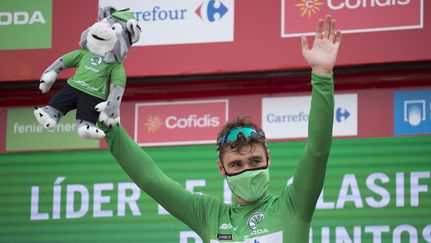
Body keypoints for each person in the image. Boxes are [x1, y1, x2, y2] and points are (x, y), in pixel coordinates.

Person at [103, 15, 341, 243]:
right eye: (236, 164)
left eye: (255, 161)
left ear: (268, 158)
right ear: (221, 168)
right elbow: (152, 180)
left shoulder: (293, 205)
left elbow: (317, 150)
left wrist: (321, 76)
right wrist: (110, 126)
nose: (248, 171)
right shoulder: (209, 215)